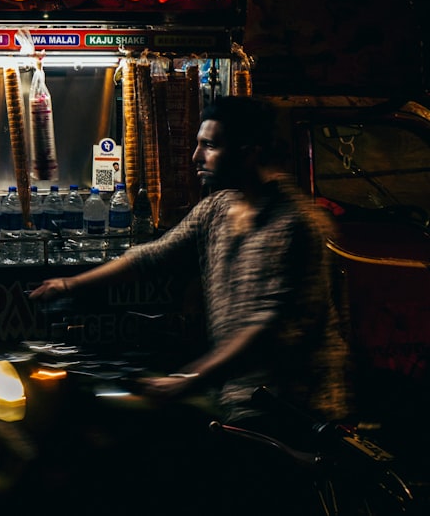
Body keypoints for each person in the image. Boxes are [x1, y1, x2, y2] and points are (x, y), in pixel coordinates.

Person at [30, 95, 351, 427]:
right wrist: (69, 284)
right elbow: (151, 257)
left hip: (290, 406)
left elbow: (265, 326)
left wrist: (189, 378)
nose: (197, 156)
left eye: (210, 145)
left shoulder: (293, 223)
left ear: (249, 152)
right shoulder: (219, 208)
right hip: (236, 395)